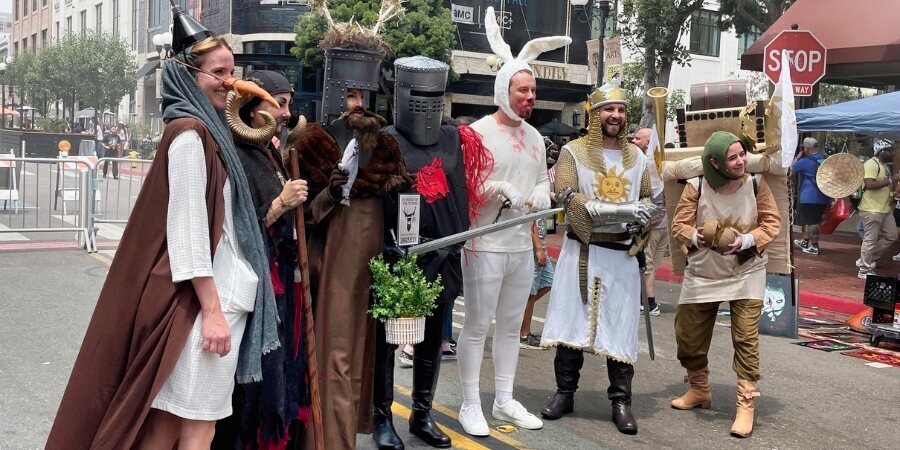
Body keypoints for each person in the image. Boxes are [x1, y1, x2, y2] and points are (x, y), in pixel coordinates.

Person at [46, 30, 281, 449]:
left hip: (211, 302)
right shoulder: (191, 135)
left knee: (167, 426)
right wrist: (212, 311)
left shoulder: (205, 131)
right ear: (187, 75)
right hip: (210, 305)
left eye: (232, 72)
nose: (229, 82)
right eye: (217, 72)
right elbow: (189, 232)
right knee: (198, 428)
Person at [294, 7, 411, 446]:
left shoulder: (384, 147)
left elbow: (401, 205)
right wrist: (328, 195)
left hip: (371, 268)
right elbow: (297, 217)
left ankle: (348, 435)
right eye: (349, 95)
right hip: (333, 271)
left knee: (365, 357)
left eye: (364, 95)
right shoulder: (311, 142)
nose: (358, 104)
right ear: (333, 93)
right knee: (335, 356)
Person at [455, 7, 569, 437]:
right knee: (477, 324)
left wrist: (541, 193)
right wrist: (496, 189)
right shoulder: (478, 133)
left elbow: (541, 181)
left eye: (533, 90)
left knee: (509, 328)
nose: (529, 98)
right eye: (522, 90)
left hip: (521, 245)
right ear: (504, 89)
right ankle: (470, 402)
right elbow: (468, 188)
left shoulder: (537, 138)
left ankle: (504, 399)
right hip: (485, 243)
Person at [373, 55, 490, 450]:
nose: (426, 104)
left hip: (443, 256)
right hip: (398, 258)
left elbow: (461, 190)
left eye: (434, 95)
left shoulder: (455, 137)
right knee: (387, 342)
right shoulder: (383, 139)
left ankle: (422, 414)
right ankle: (381, 417)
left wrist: (454, 243)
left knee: (431, 341)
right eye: (418, 95)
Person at [540, 83, 659, 435]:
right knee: (571, 323)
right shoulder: (573, 153)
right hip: (583, 252)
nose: (616, 116)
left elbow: (650, 199)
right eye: (609, 110)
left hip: (621, 256)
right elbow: (564, 194)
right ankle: (565, 393)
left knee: (620, 327)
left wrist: (644, 219)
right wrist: (590, 208)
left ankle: (621, 402)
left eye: (621, 110)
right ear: (594, 114)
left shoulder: (636, 158)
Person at [215, 70, 313, 448]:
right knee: (255, 383)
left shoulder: (269, 151)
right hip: (256, 288)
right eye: (280, 103)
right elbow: (241, 227)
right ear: (253, 109)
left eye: (288, 103)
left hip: (283, 281)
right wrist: (280, 203)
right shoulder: (238, 155)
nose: (287, 112)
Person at [669, 131, 781, 439]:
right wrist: (696, 236)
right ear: (715, 162)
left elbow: (772, 223)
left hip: (746, 272)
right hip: (703, 273)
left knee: (745, 338)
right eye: (733, 158)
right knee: (687, 337)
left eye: (742, 154)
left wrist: (748, 239)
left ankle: (746, 404)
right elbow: (679, 224)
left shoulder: (757, 184)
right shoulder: (697, 185)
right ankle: (699, 389)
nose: (741, 161)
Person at [632, 127, 666, 315]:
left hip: (653, 227)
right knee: (651, 265)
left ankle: (649, 302)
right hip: (663, 225)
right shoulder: (662, 164)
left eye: (638, 138)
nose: (634, 141)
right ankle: (644, 298)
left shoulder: (648, 165)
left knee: (648, 265)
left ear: (649, 142)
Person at [856, 139, 897, 278]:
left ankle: (866, 259)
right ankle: (863, 269)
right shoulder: (871, 164)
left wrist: (892, 195)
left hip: (884, 209)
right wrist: (893, 179)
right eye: (890, 150)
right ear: (881, 151)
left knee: (892, 236)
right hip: (872, 209)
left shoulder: (884, 166)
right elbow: (870, 185)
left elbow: (886, 186)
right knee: (870, 239)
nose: (893, 153)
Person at [791, 137, 829, 255]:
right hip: (823, 195)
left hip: (808, 196)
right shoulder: (826, 160)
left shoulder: (804, 161)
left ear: (806, 148)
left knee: (811, 221)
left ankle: (814, 246)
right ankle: (805, 242)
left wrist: (797, 157)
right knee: (811, 220)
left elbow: (791, 169)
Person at [520, 219, 553, 349]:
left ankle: (516, 311)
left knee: (549, 281)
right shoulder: (530, 198)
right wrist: (538, 248)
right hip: (533, 249)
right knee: (531, 294)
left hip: (541, 249)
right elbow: (530, 220)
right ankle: (524, 334)